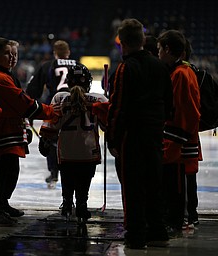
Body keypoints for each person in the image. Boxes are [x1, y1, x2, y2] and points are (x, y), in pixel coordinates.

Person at [106, 18, 173, 249]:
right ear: (143, 40)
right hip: (155, 134)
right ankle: (158, 231)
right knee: (154, 183)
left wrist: (112, 138)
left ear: (122, 42)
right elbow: (169, 103)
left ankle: (136, 235)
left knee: (133, 187)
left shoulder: (126, 68)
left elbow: (118, 106)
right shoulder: (160, 66)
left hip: (132, 136)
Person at [0, 37, 59, 226]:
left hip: (8, 135)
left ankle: (2, 204)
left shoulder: (5, 75)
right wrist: (51, 111)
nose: (12, 57)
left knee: (9, 173)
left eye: (15, 54)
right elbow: (24, 104)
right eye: (7, 53)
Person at [39, 64, 108, 223]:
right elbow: (108, 125)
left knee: (68, 178)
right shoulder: (99, 99)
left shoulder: (59, 97)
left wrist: (45, 140)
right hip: (88, 151)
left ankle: (67, 203)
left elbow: (51, 126)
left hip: (67, 151)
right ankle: (82, 204)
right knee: (85, 180)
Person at [157, 30, 201, 236]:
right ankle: (181, 218)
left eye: (159, 49)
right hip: (179, 143)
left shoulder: (182, 74)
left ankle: (181, 220)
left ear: (167, 49)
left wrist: (175, 142)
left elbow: (188, 112)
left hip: (180, 145)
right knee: (178, 185)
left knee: (180, 186)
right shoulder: (178, 72)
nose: (158, 54)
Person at [26, 40, 78, 187]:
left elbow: (33, 90)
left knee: (51, 139)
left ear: (54, 53)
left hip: (54, 107)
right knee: (73, 140)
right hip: (74, 108)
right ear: (68, 52)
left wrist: (29, 112)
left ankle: (54, 173)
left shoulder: (47, 65)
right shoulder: (78, 65)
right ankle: (72, 172)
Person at [181, 39, 200, 229]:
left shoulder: (183, 74)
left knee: (185, 176)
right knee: (189, 176)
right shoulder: (191, 72)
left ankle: (188, 215)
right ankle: (190, 215)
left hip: (182, 136)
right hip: (189, 135)